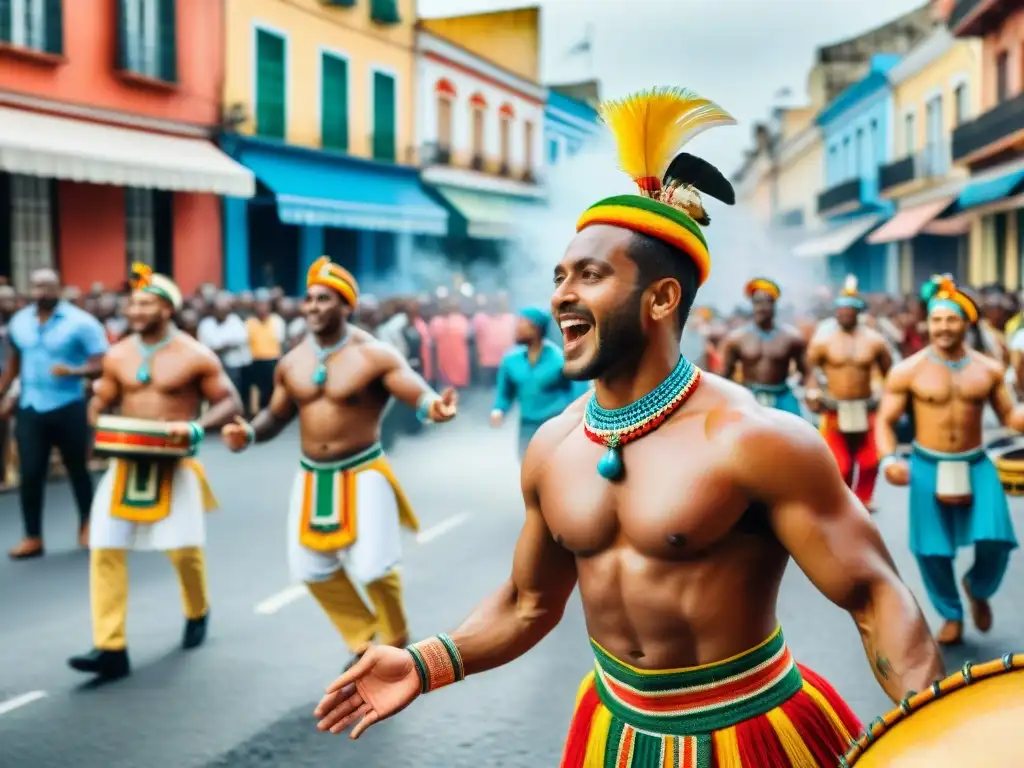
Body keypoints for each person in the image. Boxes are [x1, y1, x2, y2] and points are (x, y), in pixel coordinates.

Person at [313, 87, 943, 766]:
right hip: (614, 731)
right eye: (559, 276)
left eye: (590, 275)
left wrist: (944, 739)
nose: (560, 295)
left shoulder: (756, 440)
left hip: (748, 730)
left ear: (661, 298)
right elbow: (529, 603)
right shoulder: (554, 446)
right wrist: (427, 663)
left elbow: (876, 596)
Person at [221, 257, 457, 667]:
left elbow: (413, 390)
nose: (312, 306)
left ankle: (397, 636)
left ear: (345, 306)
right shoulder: (292, 362)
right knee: (309, 569)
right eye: (309, 299)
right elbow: (277, 415)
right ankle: (364, 640)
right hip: (313, 476)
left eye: (324, 299)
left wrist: (432, 406)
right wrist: (250, 434)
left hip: (364, 470)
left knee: (373, 568)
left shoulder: (374, 354)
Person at [68, 264, 242, 680]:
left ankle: (197, 610)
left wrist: (197, 427)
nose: (136, 309)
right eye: (133, 302)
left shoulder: (195, 354)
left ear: (168, 308)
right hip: (125, 463)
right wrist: (95, 408)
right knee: (105, 548)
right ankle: (110, 647)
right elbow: (105, 399)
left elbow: (229, 400)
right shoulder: (118, 353)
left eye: (146, 302)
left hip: (175, 464)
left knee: (183, 550)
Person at [876, 275, 1021, 647]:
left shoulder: (987, 369)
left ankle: (978, 586)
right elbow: (886, 421)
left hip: (975, 464)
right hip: (927, 465)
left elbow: (1010, 417)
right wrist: (889, 458)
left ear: (966, 322)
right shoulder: (907, 370)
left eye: (951, 319)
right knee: (930, 549)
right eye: (937, 319)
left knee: (998, 539)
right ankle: (951, 614)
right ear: (928, 323)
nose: (943, 327)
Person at [0, 268, 109, 560]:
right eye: (36, 286)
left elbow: (102, 363)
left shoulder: (81, 322)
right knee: (31, 472)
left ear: (59, 288)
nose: (41, 292)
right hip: (31, 406)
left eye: (48, 287)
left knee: (77, 469)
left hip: (68, 405)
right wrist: (3, 392)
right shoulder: (20, 322)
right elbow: (14, 362)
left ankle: (87, 525)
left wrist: (74, 371)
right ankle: (32, 536)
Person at [805, 277, 892, 511]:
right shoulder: (823, 342)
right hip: (835, 407)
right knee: (839, 463)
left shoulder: (875, 341)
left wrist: (887, 397)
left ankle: (863, 499)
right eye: (840, 309)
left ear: (857, 312)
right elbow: (810, 372)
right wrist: (812, 392)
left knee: (869, 459)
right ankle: (842, 499)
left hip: (866, 406)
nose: (844, 314)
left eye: (849, 310)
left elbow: (890, 374)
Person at [490, 307, 589, 461]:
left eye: (522, 325)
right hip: (527, 425)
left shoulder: (559, 360)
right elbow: (505, 392)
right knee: (527, 464)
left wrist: (576, 419)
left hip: (555, 424)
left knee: (555, 467)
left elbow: (578, 391)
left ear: (536, 329)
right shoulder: (511, 361)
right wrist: (498, 410)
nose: (516, 329)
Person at [721, 278, 806, 416]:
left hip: (782, 395)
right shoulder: (737, 338)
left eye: (766, 302)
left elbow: (806, 371)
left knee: (798, 432)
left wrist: (811, 391)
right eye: (757, 302)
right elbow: (725, 373)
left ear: (774, 304)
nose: (761, 307)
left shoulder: (791, 338)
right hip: (750, 396)